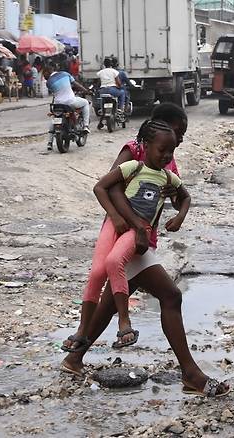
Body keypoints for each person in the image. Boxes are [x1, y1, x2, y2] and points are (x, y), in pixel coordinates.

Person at [60, 102, 231, 398]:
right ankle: (192, 374)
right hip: (127, 235)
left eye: (180, 138)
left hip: (142, 238)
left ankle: (75, 358)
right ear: (158, 129)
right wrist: (136, 226)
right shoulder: (134, 151)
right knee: (171, 295)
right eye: (177, 133)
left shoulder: (166, 159)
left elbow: (177, 196)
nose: (178, 142)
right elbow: (111, 188)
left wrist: (176, 205)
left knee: (113, 301)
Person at [63, 120, 191, 351]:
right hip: (122, 226)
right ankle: (83, 332)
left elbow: (184, 196)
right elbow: (104, 187)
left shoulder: (168, 175)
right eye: (163, 149)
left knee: (115, 267)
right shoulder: (133, 163)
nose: (168, 155)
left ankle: (123, 323)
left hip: (138, 233)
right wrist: (116, 216)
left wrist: (179, 216)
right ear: (147, 144)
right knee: (98, 274)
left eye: (171, 150)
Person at [43, 62, 91, 151]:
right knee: (85, 103)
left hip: (57, 104)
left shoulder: (48, 83)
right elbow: (76, 85)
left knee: (54, 118)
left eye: (44, 74)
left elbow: (57, 92)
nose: (44, 77)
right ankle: (86, 126)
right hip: (70, 102)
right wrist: (86, 91)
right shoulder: (65, 74)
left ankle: (49, 142)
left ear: (49, 71)